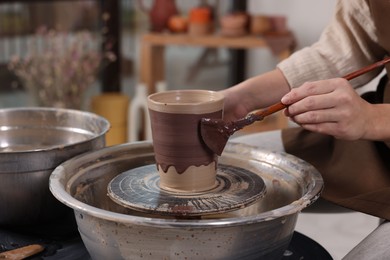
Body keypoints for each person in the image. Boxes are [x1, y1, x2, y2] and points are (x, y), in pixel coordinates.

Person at [222, 0, 390, 258]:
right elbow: (342, 51)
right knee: (223, 164)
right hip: (376, 145)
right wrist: (241, 97)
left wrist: (372, 120)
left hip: (377, 124)